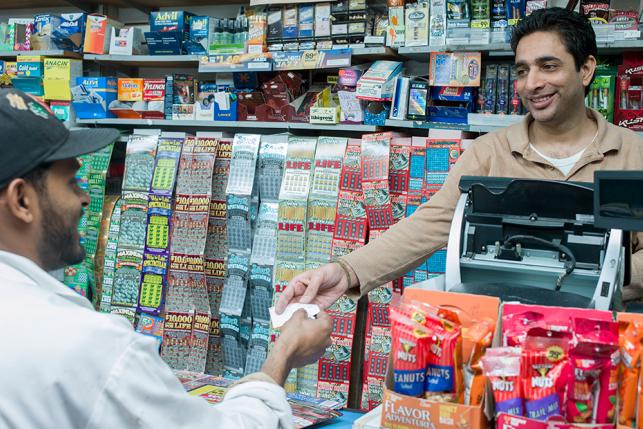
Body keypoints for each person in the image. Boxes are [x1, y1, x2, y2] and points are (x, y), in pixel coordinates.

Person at [0, 89, 332, 429]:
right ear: (22, 200)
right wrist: (283, 355)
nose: (84, 198)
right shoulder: (90, 347)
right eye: (71, 183)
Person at [276, 7, 643, 315]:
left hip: (606, 337)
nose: (532, 84)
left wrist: (588, 283)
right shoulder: (491, 152)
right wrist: (345, 271)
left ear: (586, 69)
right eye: (521, 70)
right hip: (504, 342)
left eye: (548, 67)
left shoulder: (631, 154)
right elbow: (430, 223)